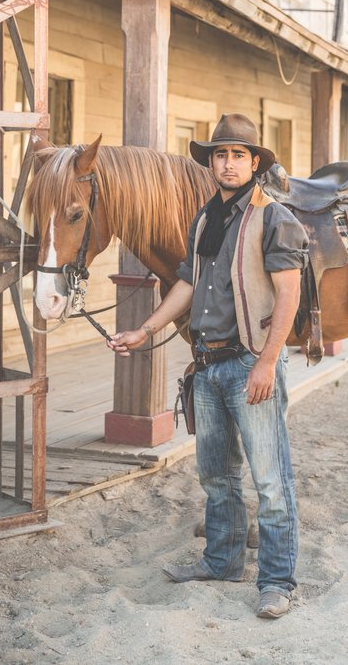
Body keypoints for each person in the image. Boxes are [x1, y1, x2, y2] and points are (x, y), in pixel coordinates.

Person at [108, 113, 308, 619]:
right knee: (217, 476)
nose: (228, 163)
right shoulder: (204, 219)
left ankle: (277, 581)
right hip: (208, 365)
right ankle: (222, 562)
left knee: (271, 480)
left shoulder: (274, 218)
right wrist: (145, 330)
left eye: (239, 155)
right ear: (211, 163)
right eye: (221, 155)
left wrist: (267, 362)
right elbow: (188, 283)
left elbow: (288, 295)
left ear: (255, 163)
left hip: (249, 364)